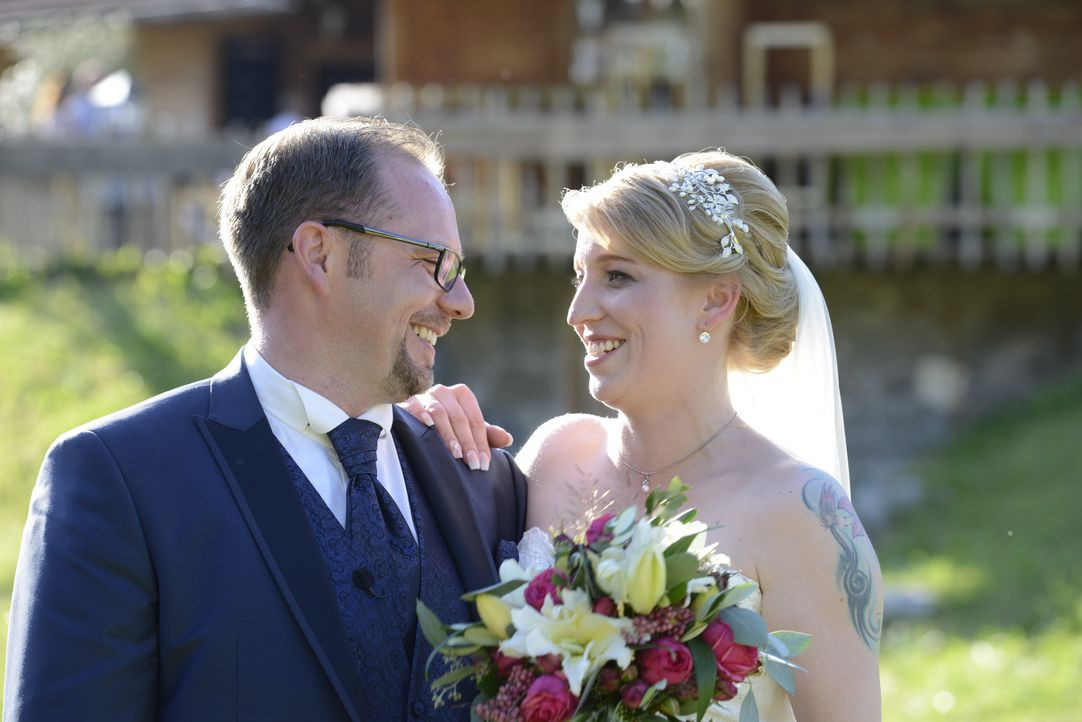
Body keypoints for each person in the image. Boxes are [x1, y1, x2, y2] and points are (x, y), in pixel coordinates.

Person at [4, 117, 528, 722]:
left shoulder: (483, 479)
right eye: (435, 262)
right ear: (318, 253)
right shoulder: (118, 481)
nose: (461, 302)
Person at [403, 151, 883, 721]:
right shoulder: (557, 454)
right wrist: (415, 426)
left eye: (618, 276)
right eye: (581, 277)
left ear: (715, 300)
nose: (578, 311)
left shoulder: (802, 513)